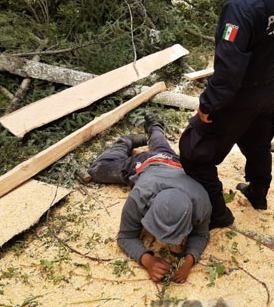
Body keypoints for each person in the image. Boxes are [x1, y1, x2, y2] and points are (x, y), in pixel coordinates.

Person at [179, 0, 274, 229]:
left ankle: (218, 215)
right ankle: (258, 194)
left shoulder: (241, 2)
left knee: (193, 153)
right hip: (268, 87)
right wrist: (267, 51)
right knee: (257, 143)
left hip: (239, 95)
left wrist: (208, 105)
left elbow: (228, 68)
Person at [88, 114, 211, 283]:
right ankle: (125, 142)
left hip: (174, 163)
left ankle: (155, 126)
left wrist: (188, 261)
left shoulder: (202, 202)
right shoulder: (140, 196)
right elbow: (125, 236)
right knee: (96, 169)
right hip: (145, 164)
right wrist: (148, 260)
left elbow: (201, 234)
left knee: (161, 147)